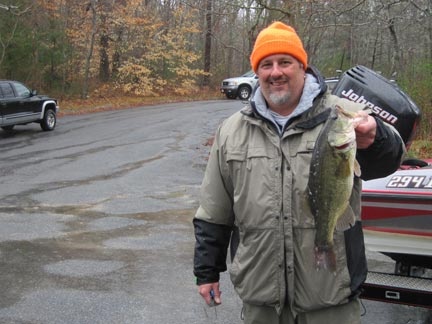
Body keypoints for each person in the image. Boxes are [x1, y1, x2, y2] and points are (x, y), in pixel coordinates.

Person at [193, 21, 404, 324]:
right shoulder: (230, 131)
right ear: (257, 72)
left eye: (285, 62)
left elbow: (391, 158)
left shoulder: (343, 114)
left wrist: (377, 138)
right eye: (266, 64)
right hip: (261, 300)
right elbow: (214, 210)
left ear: (302, 67)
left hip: (330, 298)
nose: (275, 72)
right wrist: (206, 272)